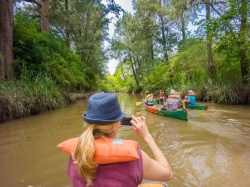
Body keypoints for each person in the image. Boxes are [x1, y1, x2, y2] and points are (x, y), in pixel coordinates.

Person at [67, 92, 173, 187]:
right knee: (163, 185)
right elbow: (168, 174)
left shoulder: (76, 150)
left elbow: (105, 142)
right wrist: (147, 136)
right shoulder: (134, 155)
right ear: (118, 122)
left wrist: (114, 130)